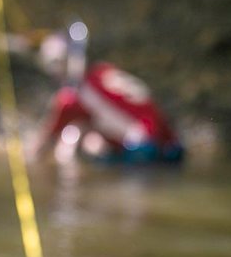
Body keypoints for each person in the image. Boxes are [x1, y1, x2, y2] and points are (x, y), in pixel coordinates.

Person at [30, 23, 184, 164]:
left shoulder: (71, 99)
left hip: (144, 151)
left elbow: (43, 143)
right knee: (85, 129)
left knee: (80, 138)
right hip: (173, 145)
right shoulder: (103, 70)